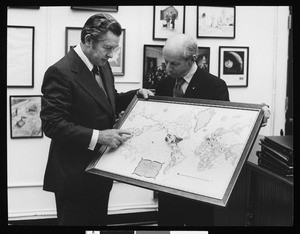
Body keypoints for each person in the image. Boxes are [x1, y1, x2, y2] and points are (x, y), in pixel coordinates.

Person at [40, 13, 153, 226]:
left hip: (99, 174)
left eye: (115, 48)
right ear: (89, 40)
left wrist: (135, 94)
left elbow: (107, 102)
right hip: (73, 179)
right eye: (108, 48)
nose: (112, 55)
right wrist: (99, 136)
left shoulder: (102, 65)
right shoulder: (60, 72)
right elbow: (53, 124)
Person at [155, 33, 270, 226]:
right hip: (169, 174)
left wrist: (255, 116)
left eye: (173, 64)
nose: (167, 69)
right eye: (165, 62)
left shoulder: (214, 86)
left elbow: (222, 130)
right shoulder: (164, 84)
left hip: (198, 175)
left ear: (192, 59)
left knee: (197, 224)